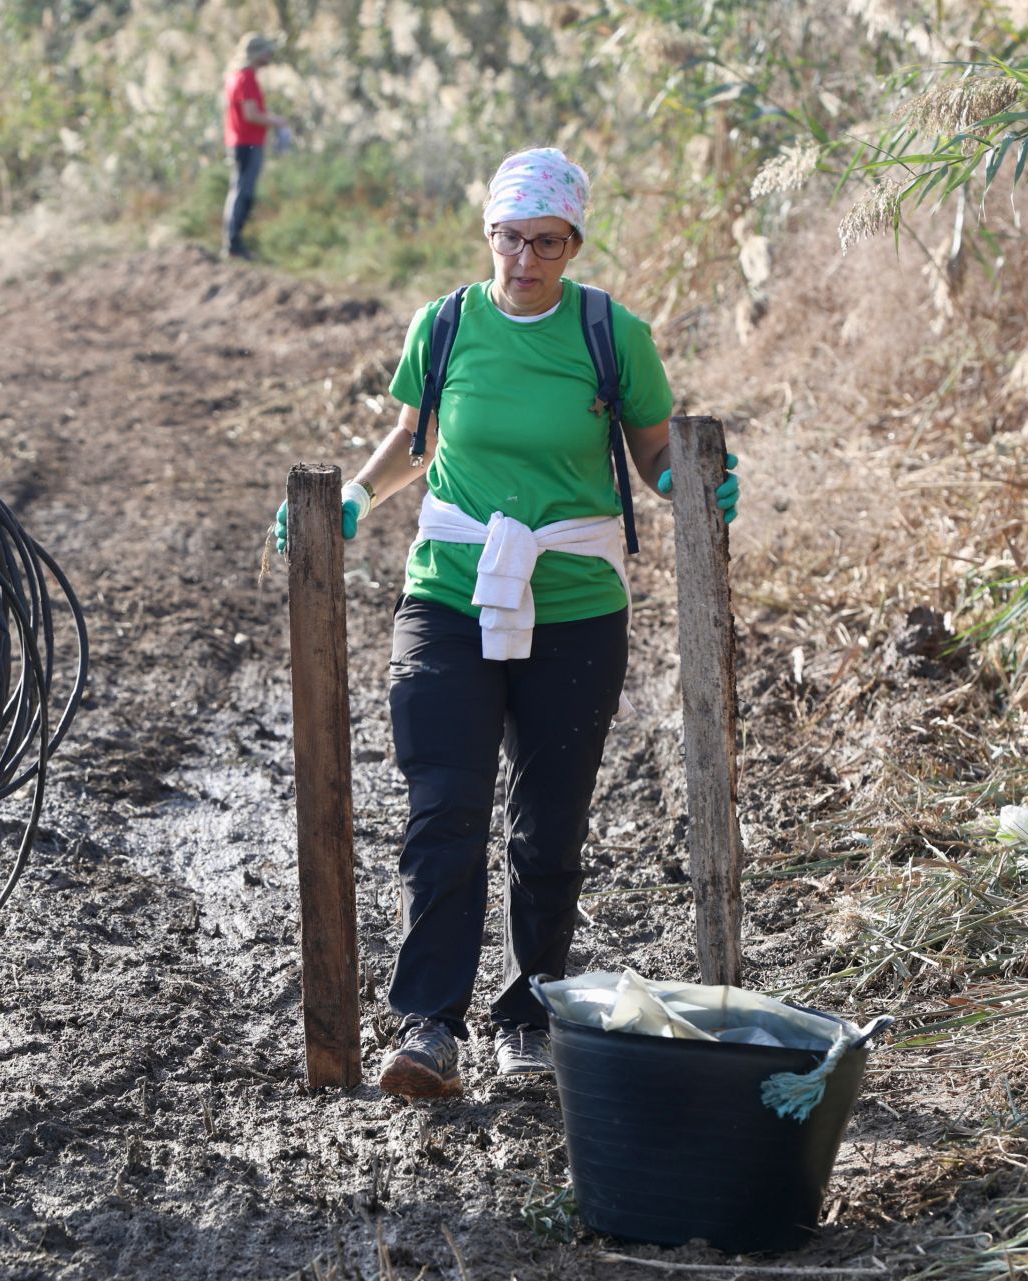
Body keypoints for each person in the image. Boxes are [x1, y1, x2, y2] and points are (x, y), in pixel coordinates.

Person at [274, 147, 740, 1099]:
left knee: (550, 826)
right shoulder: (445, 325)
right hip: (450, 589)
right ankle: (430, 1024)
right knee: (444, 809)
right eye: (511, 238)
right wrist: (357, 497)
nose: (526, 259)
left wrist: (693, 485)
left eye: (548, 243)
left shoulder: (614, 334)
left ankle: (527, 1019)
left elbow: (652, 454)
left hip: (575, 606)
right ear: (487, 232)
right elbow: (418, 433)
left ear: (574, 244)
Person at [222, 33, 288, 260]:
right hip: (247, 142)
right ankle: (234, 245)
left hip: (239, 141)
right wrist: (277, 121)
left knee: (239, 190)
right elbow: (251, 114)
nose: (270, 55)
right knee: (244, 193)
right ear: (257, 53)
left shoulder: (235, 76)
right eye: (267, 51)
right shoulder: (247, 77)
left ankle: (232, 243)